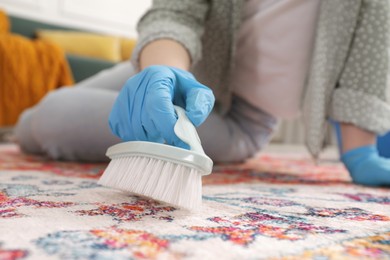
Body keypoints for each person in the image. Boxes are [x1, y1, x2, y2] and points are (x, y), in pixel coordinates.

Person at [14, 0, 390, 187]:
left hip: (239, 118)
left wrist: (359, 152)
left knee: (50, 117)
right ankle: (21, 128)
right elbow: (175, 12)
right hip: (176, 65)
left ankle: (25, 127)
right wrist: (167, 71)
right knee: (37, 119)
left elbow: (368, 57)